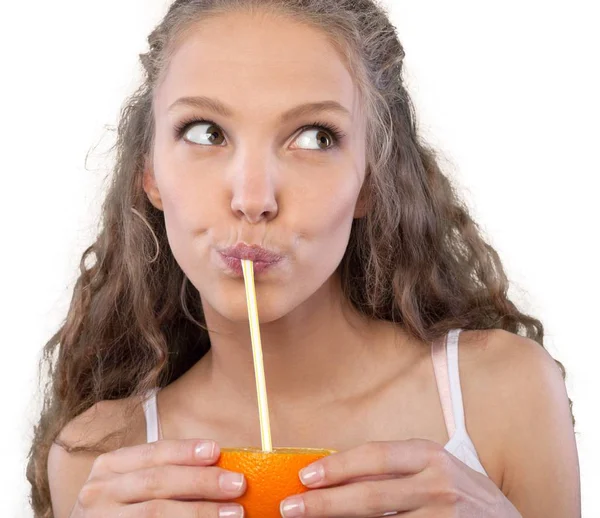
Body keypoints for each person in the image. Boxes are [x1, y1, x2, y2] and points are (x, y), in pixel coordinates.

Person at [27, 1, 580, 517]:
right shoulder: (97, 459)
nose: (252, 198)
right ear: (149, 172)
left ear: (371, 179)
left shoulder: (502, 395)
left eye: (315, 137)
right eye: (205, 132)